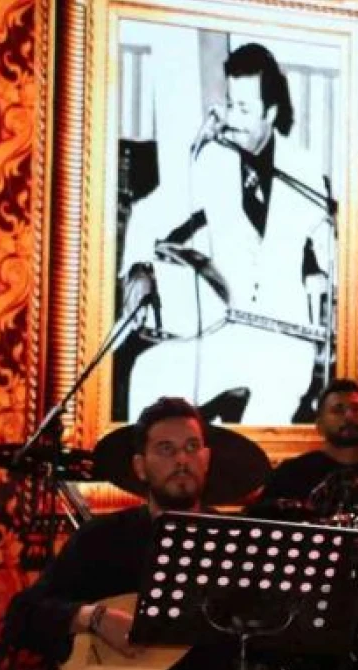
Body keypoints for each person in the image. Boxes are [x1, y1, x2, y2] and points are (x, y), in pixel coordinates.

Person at [3, 397, 298, 670]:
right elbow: (21, 615)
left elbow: (277, 634)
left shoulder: (239, 540)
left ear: (206, 459)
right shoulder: (102, 538)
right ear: (140, 466)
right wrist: (94, 618)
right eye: (166, 449)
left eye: (192, 447)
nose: (182, 459)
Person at [121, 42, 332, 425]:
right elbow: (155, 211)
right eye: (231, 104)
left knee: (258, 426)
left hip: (286, 343)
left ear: (271, 113)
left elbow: (330, 245)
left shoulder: (303, 168)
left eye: (245, 109)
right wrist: (138, 266)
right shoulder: (213, 160)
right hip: (227, 332)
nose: (233, 118)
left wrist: (328, 278)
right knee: (149, 372)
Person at [256, 378, 358, 517]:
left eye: (357, 409)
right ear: (319, 425)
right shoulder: (291, 474)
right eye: (338, 410)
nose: (349, 416)